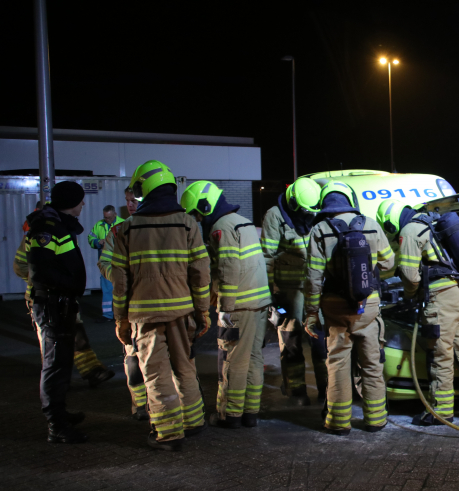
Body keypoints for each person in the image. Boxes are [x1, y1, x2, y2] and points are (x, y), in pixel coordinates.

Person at [112, 160, 211, 451]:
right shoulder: (188, 223)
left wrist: (121, 319)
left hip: (145, 314)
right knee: (185, 366)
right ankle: (193, 422)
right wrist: (202, 310)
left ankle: (168, 433)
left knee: (155, 373)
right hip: (183, 312)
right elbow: (201, 271)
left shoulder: (127, 230)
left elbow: (120, 281)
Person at [375, 199, 459, 426]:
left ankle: (441, 412)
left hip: (441, 298)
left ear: (390, 222)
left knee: (440, 354)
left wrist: (410, 297)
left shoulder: (409, 230)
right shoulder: (431, 222)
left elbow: (410, 275)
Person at [303, 181, 394, 435]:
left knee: (338, 363)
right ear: (349, 199)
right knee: (372, 364)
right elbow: (389, 262)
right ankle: (375, 419)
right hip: (368, 305)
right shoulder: (371, 224)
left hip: (335, 306)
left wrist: (311, 314)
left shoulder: (320, 229)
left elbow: (313, 278)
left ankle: (338, 422)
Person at [181, 181, 271, 428]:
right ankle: (250, 413)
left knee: (233, 360)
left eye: (197, 214)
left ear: (205, 206)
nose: (197, 219)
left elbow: (229, 268)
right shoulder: (243, 221)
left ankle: (230, 414)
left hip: (239, 307)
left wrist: (225, 308)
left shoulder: (221, 227)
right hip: (259, 303)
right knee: (253, 358)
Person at [26, 182, 89, 443]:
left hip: (59, 304)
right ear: (70, 202)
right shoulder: (47, 228)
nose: (83, 205)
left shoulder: (58, 224)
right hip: (52, 305)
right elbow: (41, 270)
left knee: (62, 362)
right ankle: (56, 425)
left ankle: (60, 413)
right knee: (54, 365)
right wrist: (69, 286)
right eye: (80, 201)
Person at [14, 235, 115, 388]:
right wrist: (39, 280)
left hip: (65, 297)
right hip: (44, 299)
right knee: (52, 344)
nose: (81, 209)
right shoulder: (39, 235)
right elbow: (19, 265)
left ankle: (92, 371)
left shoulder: (65, 231)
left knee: (77, 336)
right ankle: (54, 385)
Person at [261, 177, 327, 405]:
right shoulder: (275, 216)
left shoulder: (313, 211)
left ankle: (326, 390)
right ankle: (297, 392)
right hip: (289, 292)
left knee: (320, 340)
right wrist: (270, 293)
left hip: (315, 287)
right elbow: (267, 257)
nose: (308, 217)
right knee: (291, 340)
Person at [98, 187, 148, 420]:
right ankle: (140, 405)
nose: (129, 205)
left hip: (153, 305)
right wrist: (120, 276)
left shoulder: (159, 228)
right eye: (127, 200)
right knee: (133, 358)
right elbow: (104, 262)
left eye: (134, 200)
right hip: (131, 306)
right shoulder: (117, 231)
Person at [88, 205, 124, 321]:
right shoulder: (99, 225)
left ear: (114, 214)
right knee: (107, 289)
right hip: (106, 262)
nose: (107, 219)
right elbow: (90, 239)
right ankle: (108, 315)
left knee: (121, 288)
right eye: (105, 217)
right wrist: (98, 242)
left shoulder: (123, 224)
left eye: (109, 217)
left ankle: (122, 314)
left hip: (120, 262)